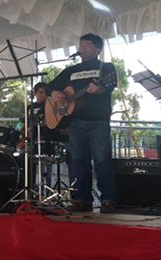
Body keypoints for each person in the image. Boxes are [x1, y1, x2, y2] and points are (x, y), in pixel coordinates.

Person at [47, 33, 117, 212]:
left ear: (97, 49)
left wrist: (99, 88)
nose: (82, 47)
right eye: (81, 44)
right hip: (76, 122)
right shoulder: (71, 70)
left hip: (98, 122)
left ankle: (108, 199)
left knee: (102, 161)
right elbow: (50, 87)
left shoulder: (106, 67)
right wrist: (55, 93)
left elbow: (110, 85)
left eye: (87, 44)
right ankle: (82, 199)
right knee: (79, 161)